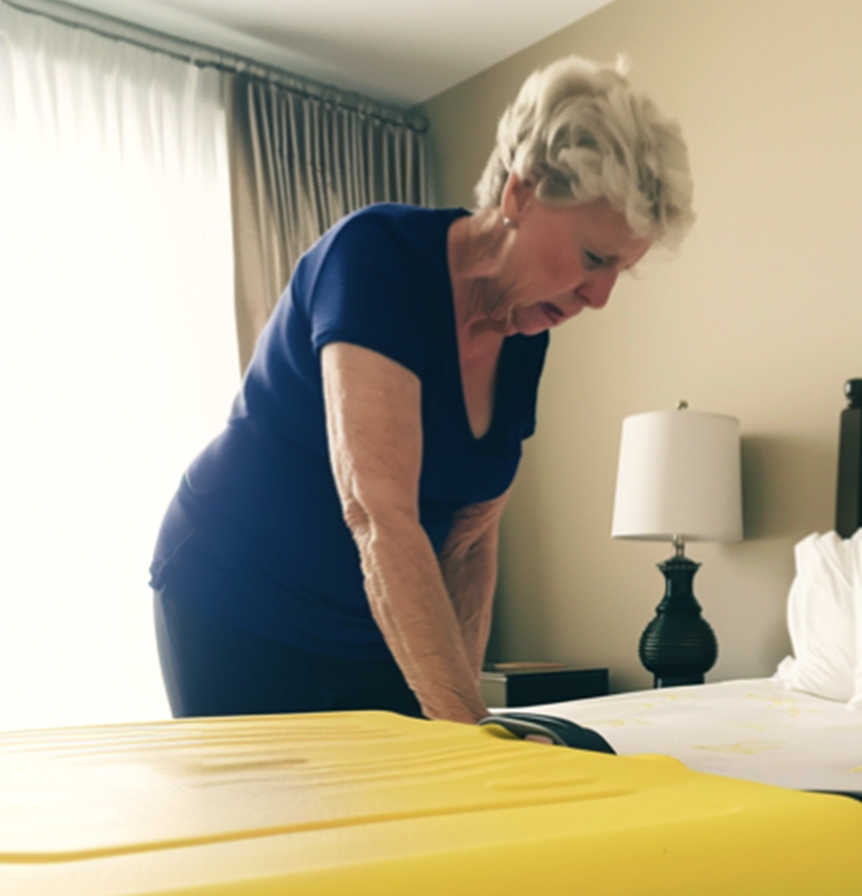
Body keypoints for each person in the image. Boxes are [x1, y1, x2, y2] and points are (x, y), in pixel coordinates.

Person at [149, 57, 695, 724]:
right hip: (239, 598)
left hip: (373, 625)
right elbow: (379, 515)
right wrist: (469, 735)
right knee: (268, 823)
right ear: (520, 194)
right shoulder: (377, 261)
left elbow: (470, 538)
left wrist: (460, 720)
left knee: (405, 818)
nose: (601, 297)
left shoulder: (528, 336)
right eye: (593, 258)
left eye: (622, 272)